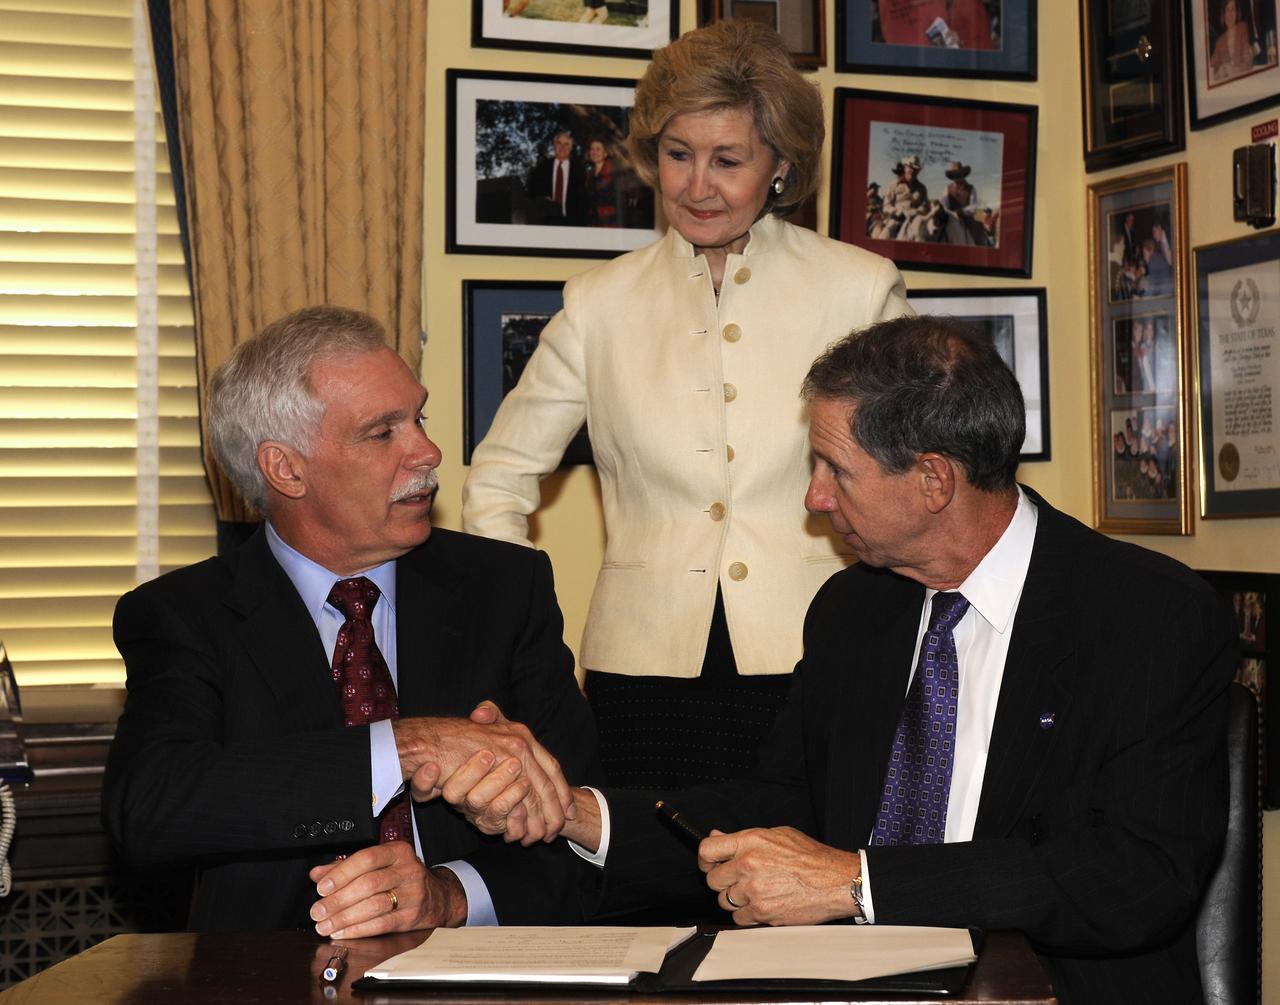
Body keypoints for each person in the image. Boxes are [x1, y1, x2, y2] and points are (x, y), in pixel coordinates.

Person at [457, 315, 1236, 1004]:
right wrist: (577, 814)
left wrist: (857, 884)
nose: (814, 499)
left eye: (836, 469)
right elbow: (783, 807)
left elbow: (1134, 875)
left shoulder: (1145, 615)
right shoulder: (856, 609)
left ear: (933, 479)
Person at [463, 19, 910, 791]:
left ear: (781, 167)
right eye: (678, 155)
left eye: (727, 160)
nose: (696, 186)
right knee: (648, 889)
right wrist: (529, 649)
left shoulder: (859, 289)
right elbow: (496, 480)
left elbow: (914, 479)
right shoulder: (598, 303)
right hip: (638, 678)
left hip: (821, 656)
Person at [102, 306, 600, 935]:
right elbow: (151, 808)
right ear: (287, 469)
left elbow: (590, 835)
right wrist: (406, 746)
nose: (428, 451)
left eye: (418, 417)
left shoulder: (504, 589)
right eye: (381, 432)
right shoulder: (188, 614)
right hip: (276, 979)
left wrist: (450, 896)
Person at [525, 129, 588, 226]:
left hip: (573, 223)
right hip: (545, 222)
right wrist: (542, 199)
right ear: (554, 145)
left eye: (566, 144)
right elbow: (532, 193)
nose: (562, 147)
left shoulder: (579, 170)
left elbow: (584, 200)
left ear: (571, 148)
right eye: (559, 143)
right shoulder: (541, 168)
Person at [1210, 0, 1256, 81]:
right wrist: (1219, 71)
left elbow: (1248, 62)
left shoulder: (1242, 28)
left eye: (1233, 9)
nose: (1230, 14)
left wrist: (1235, 70)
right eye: (1227, 10)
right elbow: (1213, 66)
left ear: (1237, 13)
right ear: (1223, 15)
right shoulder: (1219, 42)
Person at [584, 138, 623, 228]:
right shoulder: (589, 174)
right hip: (593, 222)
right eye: (592, 149)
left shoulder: (614, 172)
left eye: (598, 149)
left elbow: (621, 202)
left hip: (610, 222)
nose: (594, 152)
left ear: (605, 153)